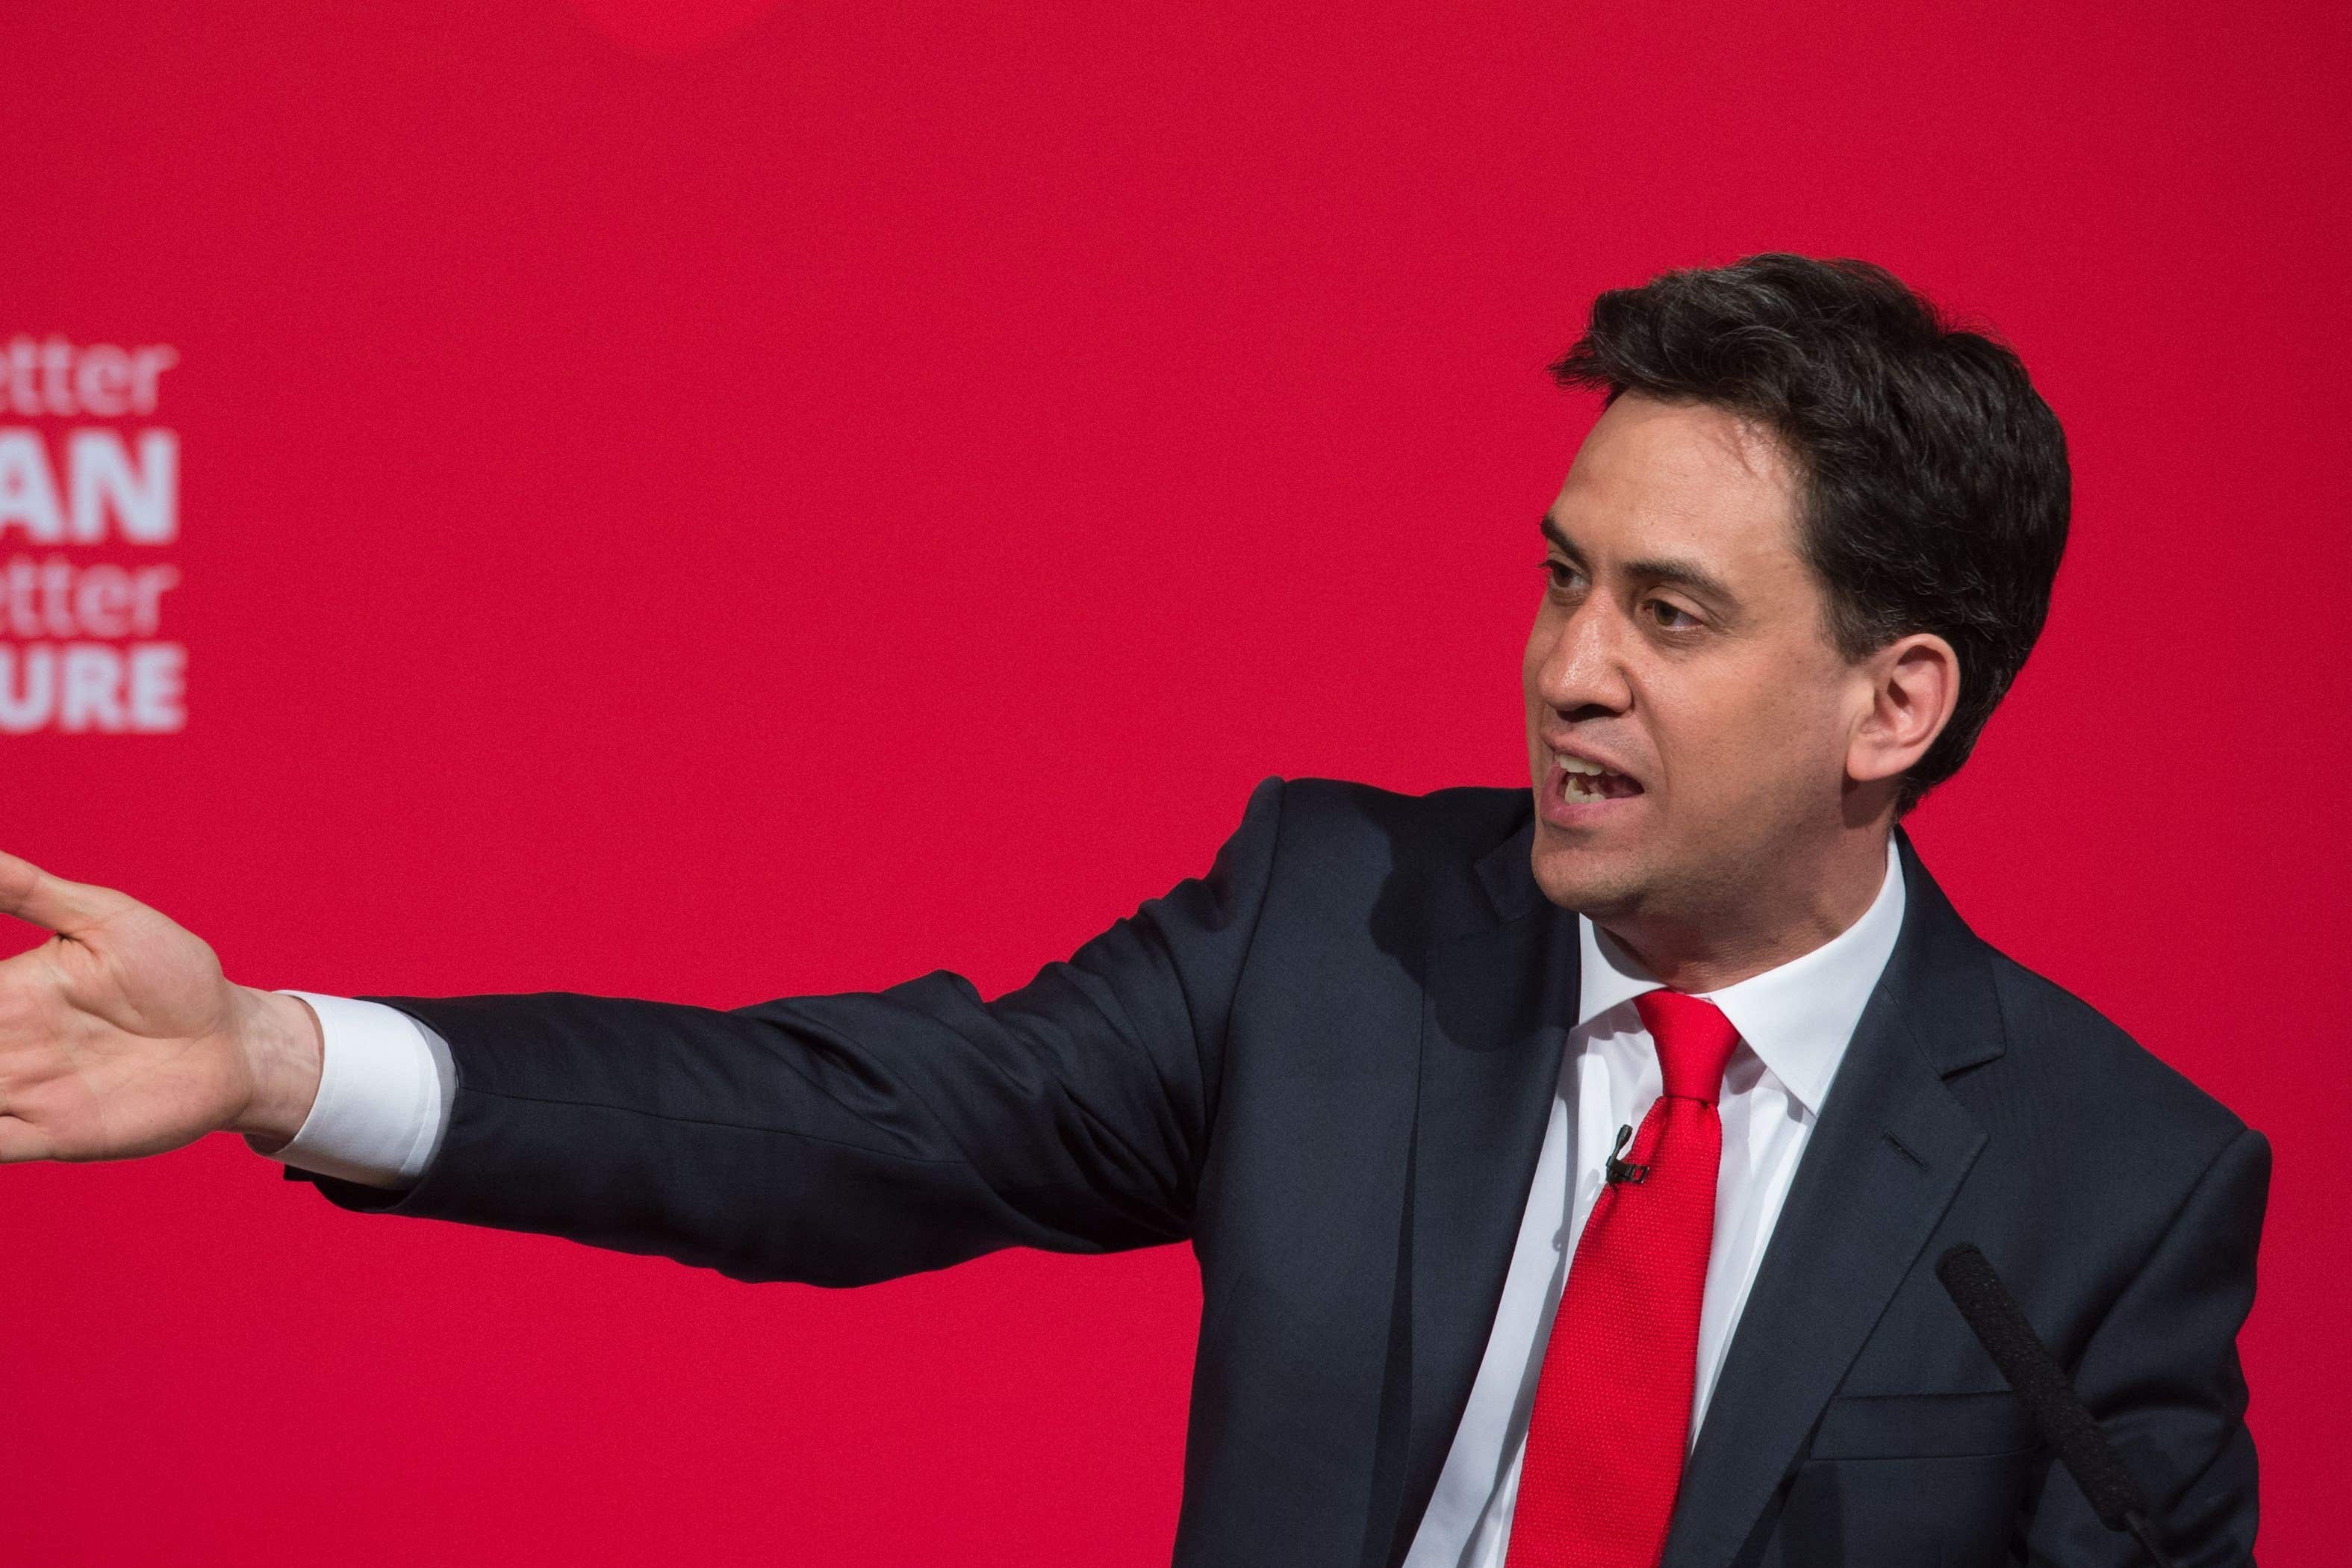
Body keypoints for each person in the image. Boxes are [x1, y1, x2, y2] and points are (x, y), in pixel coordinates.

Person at [0, 255, 2265, 1568]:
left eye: (1670, 611)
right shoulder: (1335, 937)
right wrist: (273, 1055)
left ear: (1895, 698)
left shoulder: (2107, 1186)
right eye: (1564, 579)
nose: (1569, 666)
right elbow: (851, 1119)